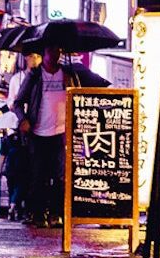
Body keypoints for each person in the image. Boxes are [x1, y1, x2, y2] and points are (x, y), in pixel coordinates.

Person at [12, 44, 110, 227]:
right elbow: (18, 103)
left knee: (60, 177)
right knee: (38, 176)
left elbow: (80, 98)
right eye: (51, 51)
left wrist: (71, 85)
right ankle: (38, 214)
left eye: (58, 51)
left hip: (61, 133)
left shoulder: (68, 74)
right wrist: (23, 119)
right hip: (38, 132)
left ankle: (57, 214)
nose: (55, 55)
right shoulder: (34, 76)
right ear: (44, 53)